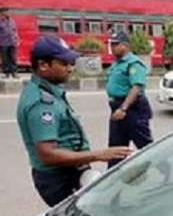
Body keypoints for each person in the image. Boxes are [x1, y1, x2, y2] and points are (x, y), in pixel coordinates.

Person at [16, 35, 132, 207]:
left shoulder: (48, 91)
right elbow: (47, 154)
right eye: (63, 63)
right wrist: (98, 155)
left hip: (70, 170)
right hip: (58, 178)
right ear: (43, 65)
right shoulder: (41, 103)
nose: (70, 68)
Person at [105, 31, 153, 168]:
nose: (112, 47)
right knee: (116, 145)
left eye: (115, 44)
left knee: (144, 145)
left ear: (125, 46)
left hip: (132, 108)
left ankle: (163, 171)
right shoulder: (117, 64)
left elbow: (136, 87)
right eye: (111, 44)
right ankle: (112, 176)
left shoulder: (134, 64)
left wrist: (123, 108)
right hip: (117, 107)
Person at [0, 7, 19, 79]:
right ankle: (6, 73)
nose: (8, 13)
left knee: (13, 58)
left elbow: (15, 31)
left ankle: (14, 72)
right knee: (5, 58)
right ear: (2, 13)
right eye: (7, 12)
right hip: (3, 43)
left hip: (12, 42)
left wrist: (17, 38)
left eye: (8, 11)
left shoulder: (12, 21)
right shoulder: (0, 22)